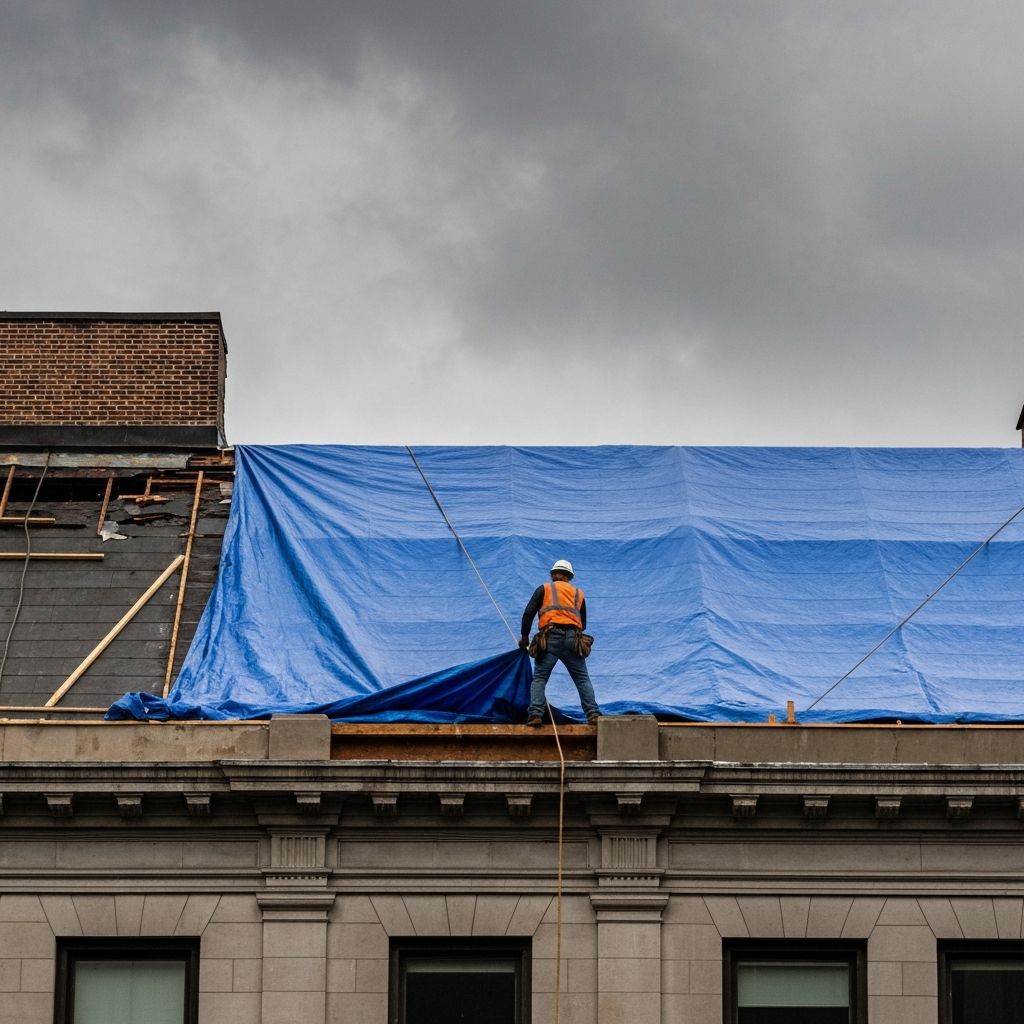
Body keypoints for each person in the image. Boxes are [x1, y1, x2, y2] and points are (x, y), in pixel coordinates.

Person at [519, 559, 601, 726]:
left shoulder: (545, 589)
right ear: (569, 576)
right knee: (582, 679)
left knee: (540, 678)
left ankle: (535, 715)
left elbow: (529, 612)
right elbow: (583, 623)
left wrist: (525, 636)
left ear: (553, 574)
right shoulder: (578, 593)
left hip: (549, 638)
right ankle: (593, 714)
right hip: (573, 639)